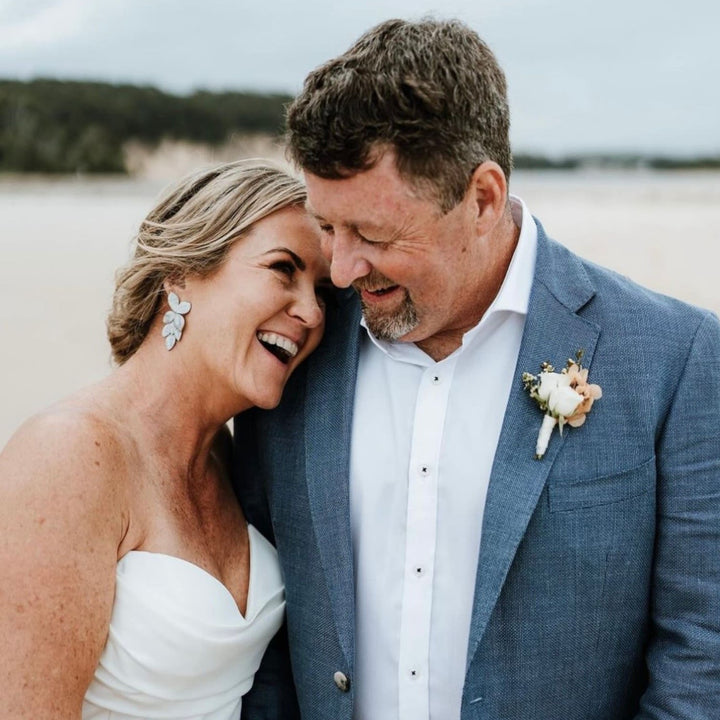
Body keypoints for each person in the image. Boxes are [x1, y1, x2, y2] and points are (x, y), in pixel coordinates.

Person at [235, 18, 720, 720]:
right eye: (328, 227)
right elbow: (269, 641)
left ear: (483, 199)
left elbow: (702, 653)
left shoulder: (677, 358)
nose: (341, 268)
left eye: (372, 234)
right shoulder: (294, 349)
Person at [0, 159, 331, 718]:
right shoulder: (68, 455)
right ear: (180, 273)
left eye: (322, 291)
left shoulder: (231, 458)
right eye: (282, 269)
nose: (312, 312)